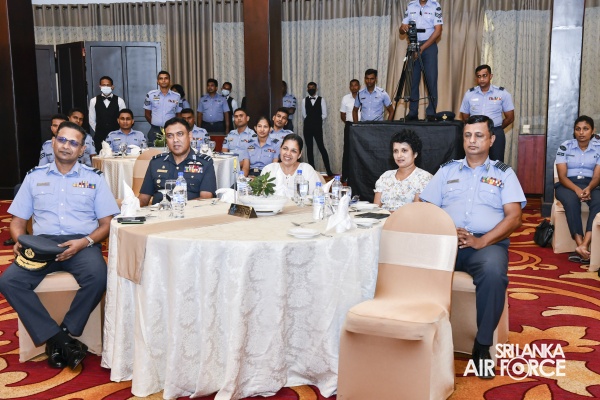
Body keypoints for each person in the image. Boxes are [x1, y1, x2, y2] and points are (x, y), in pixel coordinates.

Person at [0, 121, 120, 370]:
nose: (67, 146)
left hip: (82, 243)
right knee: (9, 281)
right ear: (53, 142)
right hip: (41, 246)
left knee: (99, 277)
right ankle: (61, 339)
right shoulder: (34, 177)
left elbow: (106, 223)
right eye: (63, 140)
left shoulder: (95, 179)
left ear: (82, 149)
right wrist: (20, 240)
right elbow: (17, 222)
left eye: (74, 143)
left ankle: (63, 333)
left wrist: (84, 242)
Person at [419, 115, 526, 378]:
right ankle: (420, 336)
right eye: (468, 135)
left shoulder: (503, 173)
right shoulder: (447, 170)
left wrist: (481, 241)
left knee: (493, 273)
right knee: (415, 265)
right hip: (447, 242)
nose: (472, 140)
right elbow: (425, 207)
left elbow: (514, 217)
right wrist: (444, 231)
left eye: (479, 135)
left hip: (487, 243)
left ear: (491, 139)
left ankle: (482, 345)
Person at [138, 117, 217, 206]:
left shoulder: (205, 163)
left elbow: (205, 199)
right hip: (159, 213)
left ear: (190, 136)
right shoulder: (156, 162)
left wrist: (175, 207)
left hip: (190, 212)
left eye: (180, 134)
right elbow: (143, 198)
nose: (175, 140)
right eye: (170, 136)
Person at [554, 116, 600, 264]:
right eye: (578, 129)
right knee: (571, 201)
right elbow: (562, 177)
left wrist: (589, 188)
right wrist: (577, 190)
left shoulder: (599, 148)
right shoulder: (565, 147)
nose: (581, 132)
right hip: (568, 184)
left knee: (598, 202)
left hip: (592, 184)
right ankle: (580, 244)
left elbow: (597, 176)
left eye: (585, 129)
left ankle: (584, 245)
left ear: (593, 131)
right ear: (574, 131)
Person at [459, 65, 515, 162]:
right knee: (474, 161)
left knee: (497, 162)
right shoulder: (469, 94)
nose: (481, 79)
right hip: (475, 133)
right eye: (479, 76)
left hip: (495, 132)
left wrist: (494, 128)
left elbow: (510, 118)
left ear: (490, 76)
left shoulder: (502, 93)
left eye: (484, 75)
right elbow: (465, 117)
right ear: (476, 78)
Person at [400, 0, 443, 120]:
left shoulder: (435, 5)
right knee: (412, 80)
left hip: (429, 46)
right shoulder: (410, 5)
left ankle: (431, 112)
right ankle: (413, 112)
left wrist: (422, 48)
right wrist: (403, 28)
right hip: (413, 45)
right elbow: (401, 29)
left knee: (431, 80)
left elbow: (438, 30)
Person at [373, 130, 432, 211]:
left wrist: (387, 215)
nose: (399, 155)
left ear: (415, 154)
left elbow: (417, 213)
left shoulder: (424, 178)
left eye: (404, 150)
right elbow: (375, 210)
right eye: (395, 151)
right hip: (382, 219)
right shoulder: (385, 176)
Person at [261, 134, 322, 199]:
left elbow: (318, 195)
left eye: (293, 151)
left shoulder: (306, 170)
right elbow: (260, 198)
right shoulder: (269, 169)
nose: (288, 153)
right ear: (280, 149)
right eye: (285, 148)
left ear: (299, 154)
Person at [302, 82, 333, 176]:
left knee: (321, 147)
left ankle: (328, 170)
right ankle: (312, 171)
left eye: (313, 87)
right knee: (309, 149)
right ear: (307, 89)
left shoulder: (321, 99)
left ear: (316, 89)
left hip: (317, 127)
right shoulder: (304, 100)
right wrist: (310, 121)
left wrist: (317, 120)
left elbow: (324, 114)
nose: (311, 89)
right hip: (307, 127)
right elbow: (304, 115)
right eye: (309, 87)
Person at [88, 75, 127, 152]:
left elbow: (123, 118)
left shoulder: (120, 100)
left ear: (112, 87)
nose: (105, 87)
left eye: (108, 85)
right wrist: (99, 130)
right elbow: (91, 120)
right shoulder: (93, 101)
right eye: (103, 85)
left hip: (116, 136)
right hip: (99, 136)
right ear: (100, 86)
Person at [143, 71, 182, 145]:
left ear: (169, 81)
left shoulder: (177, 96)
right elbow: (147, 114)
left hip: (171, 130)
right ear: (158, 81)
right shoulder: (150, 95)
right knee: (153, 150)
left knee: (172, 149)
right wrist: (155, 123)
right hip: (155, 130)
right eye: (161, 78)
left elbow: (179, 115)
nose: (163, 80)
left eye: (166, 78)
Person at [340, 79, 361, 182]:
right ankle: (345, 176)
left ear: (359, 86)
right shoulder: (345, 98)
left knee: (360, 150)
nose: (354, 87)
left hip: (362, 127)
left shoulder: (363, 97)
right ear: (349, 87)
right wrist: (349, 123)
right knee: (347, 151)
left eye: (356, 85)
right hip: (350, 126)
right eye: (352, 85)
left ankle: (359, 175)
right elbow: (342, 115)